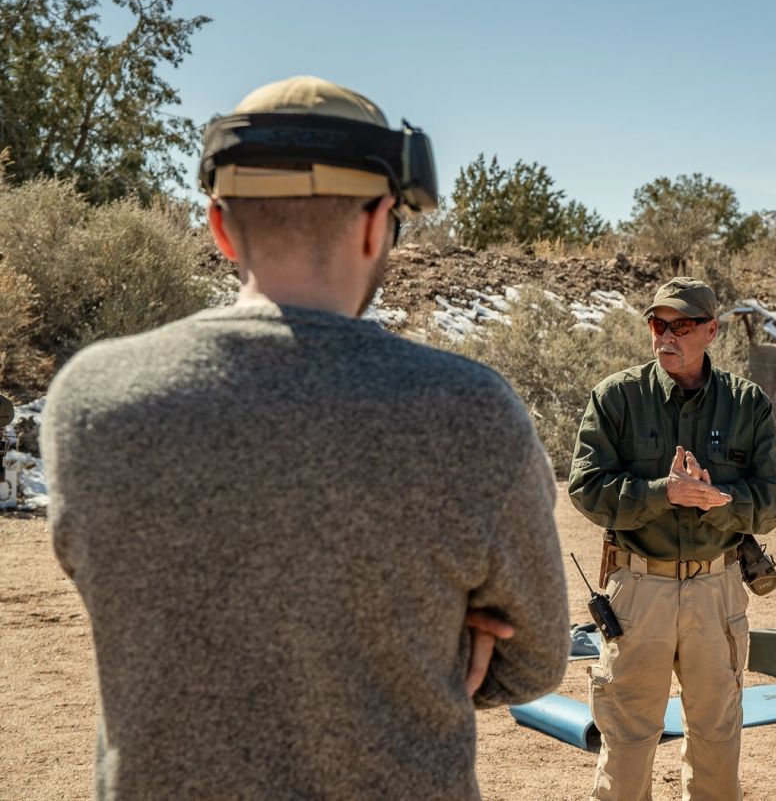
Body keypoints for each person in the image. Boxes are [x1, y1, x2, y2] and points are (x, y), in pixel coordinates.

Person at [42, 76, 570, 800]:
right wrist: (431, 627)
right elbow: (535, 659)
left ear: (220, 226)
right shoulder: (471, 413)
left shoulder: (92, 401)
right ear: (376, 222)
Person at [568, 276, 776, 801]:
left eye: (682, 325)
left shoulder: (746, 404)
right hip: (637, 593)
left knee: (717, 740)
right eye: (657, 324)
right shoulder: (617, 398)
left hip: (715, 592)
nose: (666, 336)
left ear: (711, 331)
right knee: (626, 741)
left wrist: (723, 502)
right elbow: (585, 488)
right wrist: (662, 493)